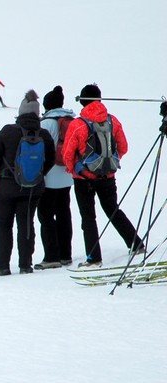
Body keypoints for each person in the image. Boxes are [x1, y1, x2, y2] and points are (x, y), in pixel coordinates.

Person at [63, 83, 144, 268]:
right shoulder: (113, 121)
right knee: (113, 210)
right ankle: (136, 244)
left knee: (88, 218)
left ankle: (94, 258)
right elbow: (123, 147)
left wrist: (75, 170)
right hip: (108, 177)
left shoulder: (78, 124)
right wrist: (109, 164)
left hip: (84, 179)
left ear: (83, 101)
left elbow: (68, 153)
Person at [0, 90, 56, 276]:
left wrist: (0, 176)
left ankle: (3, 266)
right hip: (33, 188)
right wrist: (36, 176)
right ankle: (25, 264)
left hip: (6, 187)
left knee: (4, 225)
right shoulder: (44, 134)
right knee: (26, 224)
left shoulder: (7, 131)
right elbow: (50, 160)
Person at [35, 85, 76, 269]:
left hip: (49, 177)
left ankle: (51, 256)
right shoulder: (71, 120)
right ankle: (66, 254)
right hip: (68, 175)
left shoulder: (46, 123)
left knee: (45, 215)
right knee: (64, 213)